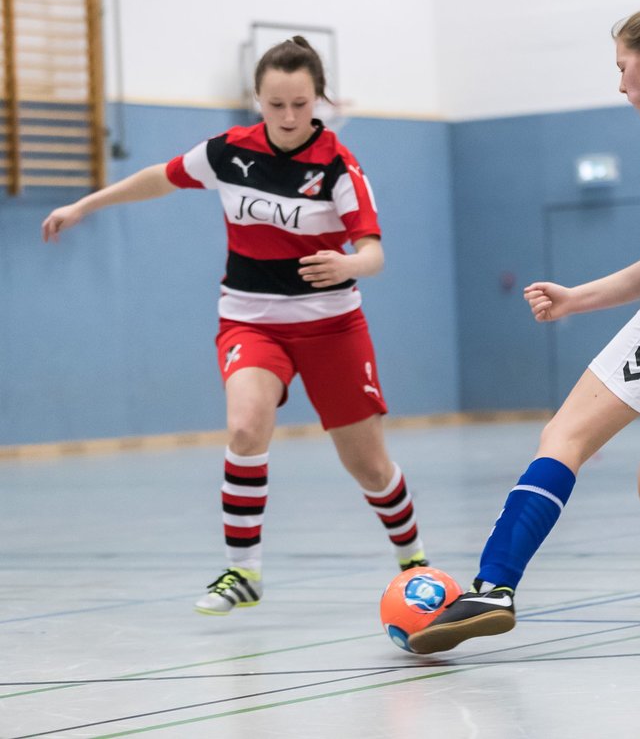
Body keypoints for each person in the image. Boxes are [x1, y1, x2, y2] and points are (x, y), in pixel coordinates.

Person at [406, 3, 640, 655]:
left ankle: (494, 586)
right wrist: (576, 298)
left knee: (564, 435)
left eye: (622, 67)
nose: (619, 84)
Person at [40, 37, 427, 614]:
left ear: (318, 98)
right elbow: (159, 177)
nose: (290, 117)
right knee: (246, 427)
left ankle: (414, 559)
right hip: (251, 319)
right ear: (258, 100)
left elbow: (373, 253)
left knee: (367, 464)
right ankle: (242, 571)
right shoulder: (229, 153)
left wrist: (347, 263)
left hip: (331, 326)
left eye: (301, 103)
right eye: (276, 105)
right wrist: (84, 204)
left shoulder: (339, 168)